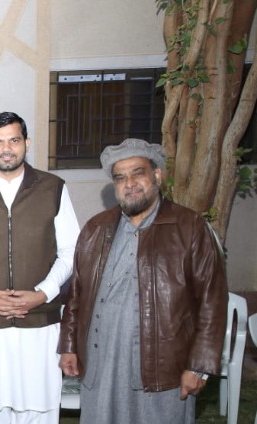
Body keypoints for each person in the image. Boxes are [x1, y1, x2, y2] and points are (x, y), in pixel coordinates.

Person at [58, 138, 228, 424]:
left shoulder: (189, 227)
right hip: (101, 364)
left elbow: (212, 301)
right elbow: (77, 294)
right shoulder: (96, 229)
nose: (130, 183)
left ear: (157, 176)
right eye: (120, 177)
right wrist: (69, 346)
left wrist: (198, 367)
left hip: (163, 369)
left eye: (138, 173)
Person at [0, 111, 80, 423]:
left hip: (39, 323)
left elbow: (71, 250)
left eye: (14, 140)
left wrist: (42, 293)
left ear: (26, 143)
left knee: (39, 408)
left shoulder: (53, 188)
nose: (6, 149)